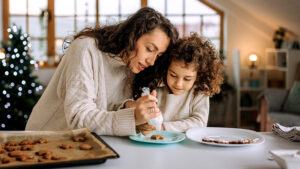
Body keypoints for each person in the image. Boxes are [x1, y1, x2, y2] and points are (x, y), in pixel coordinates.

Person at [25, 7, 178, 136]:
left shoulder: (132, 65)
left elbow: (107, 107)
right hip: (45, 138)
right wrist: (132, 118)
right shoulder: (85, 48)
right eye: (149, 49)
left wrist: (132, 110)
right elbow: (79, 117)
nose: (151, 61)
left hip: (86, 143)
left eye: (158, 55)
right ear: (132, 35)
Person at [128, 33, 224, 133]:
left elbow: (199, 122)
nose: (178, 84)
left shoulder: (200, 91)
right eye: (173, 75)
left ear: (198, 76)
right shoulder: (155, 85)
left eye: (187, 79)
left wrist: (163, 127)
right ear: (166, 69)